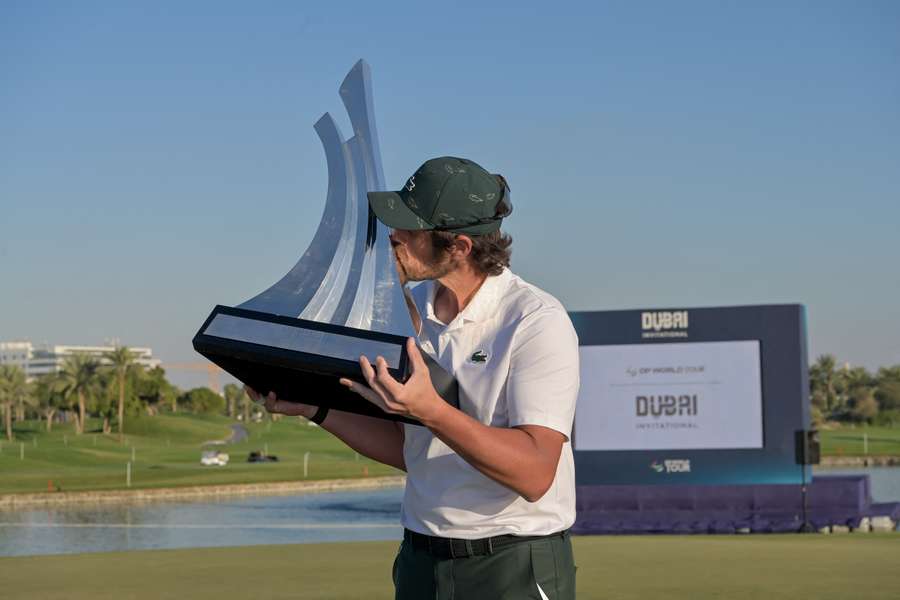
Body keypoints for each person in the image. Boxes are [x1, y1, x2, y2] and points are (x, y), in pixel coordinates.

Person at [248, 156, 579, 599]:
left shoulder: (536, 320)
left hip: (513, 565)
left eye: (410, 230)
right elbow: (415, 451)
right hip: (421, 561)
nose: (394, 237)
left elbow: (536, 473)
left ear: (459, 246)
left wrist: (431, 410)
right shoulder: (405, 311)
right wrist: (313, 406)